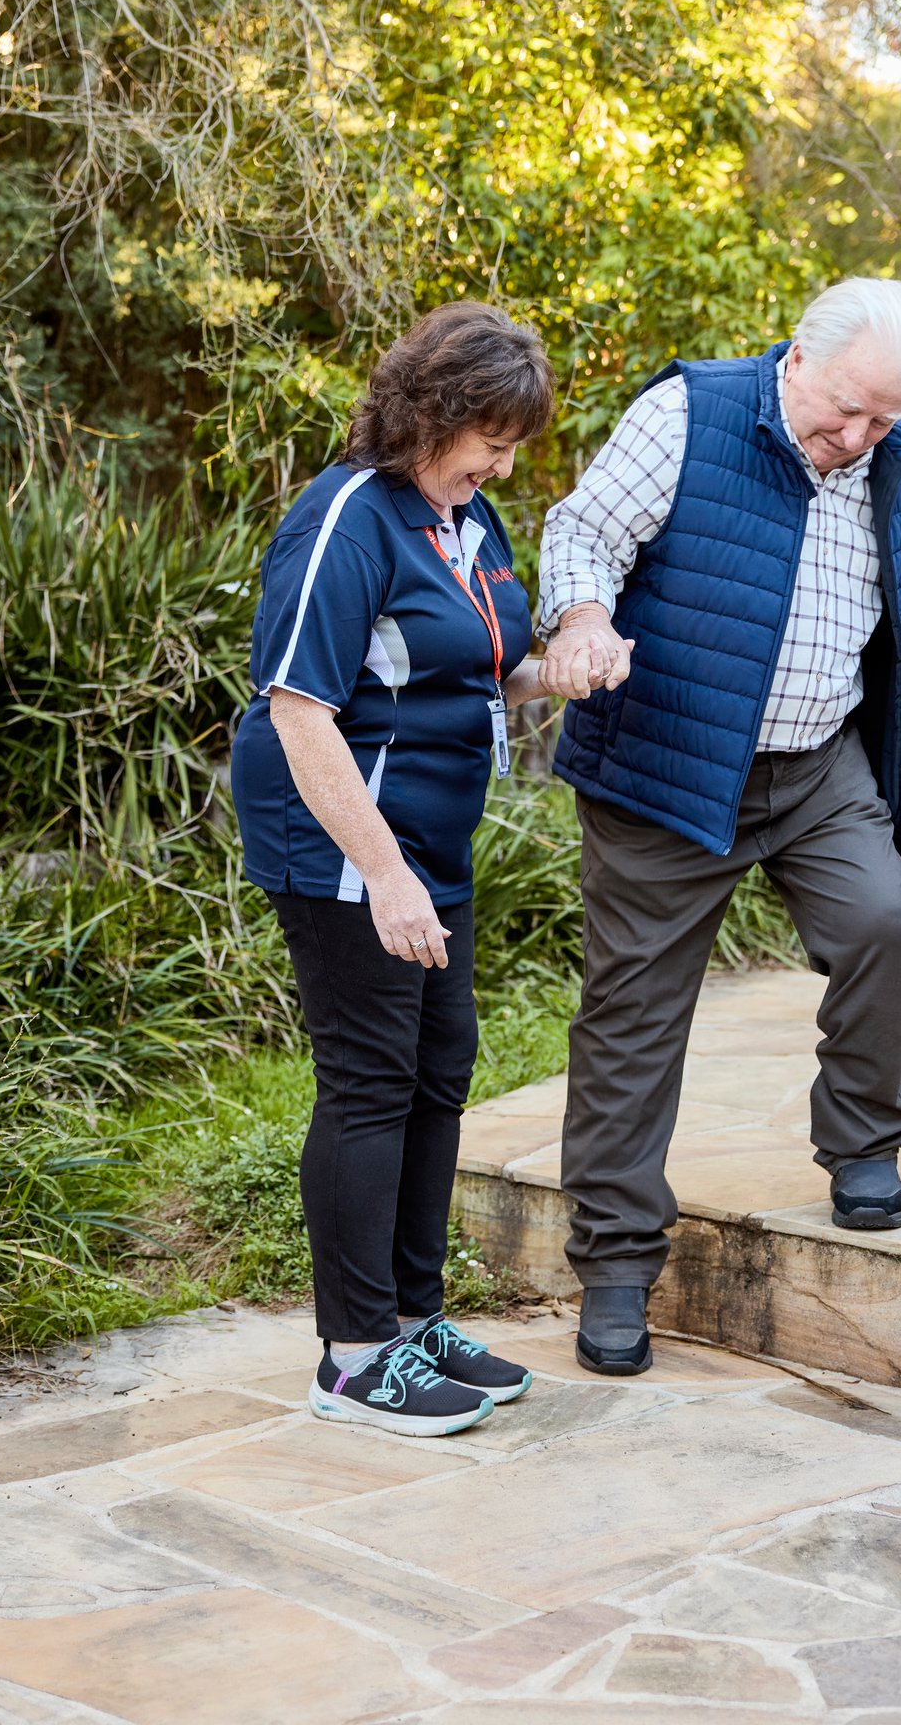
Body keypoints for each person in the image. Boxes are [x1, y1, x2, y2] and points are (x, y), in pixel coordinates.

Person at [536, 277, 901, 1377]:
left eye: (881, 419)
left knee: (880, 927)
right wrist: (586, 613)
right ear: (796, 357)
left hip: (812, 766)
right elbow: (583, 529)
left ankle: (862, 1143)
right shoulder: (689, 412)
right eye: (843, 408)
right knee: (633, 1021)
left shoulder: (881, 458)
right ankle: (611, 1266)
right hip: (665, 763)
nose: (854, 436)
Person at [232, 300, 553, 1436]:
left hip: (432, 839)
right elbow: (300, 709)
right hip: (340, 839)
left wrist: (561, 665)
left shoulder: (468, 518)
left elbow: (482, 666)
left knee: (440, 1061)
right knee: (371, 1075)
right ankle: (353, 1352)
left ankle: (413, 1321)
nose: (501, 463)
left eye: (512, 446)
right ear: (428, 414)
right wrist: (382, 870)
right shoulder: (347, 518)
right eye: (490, 441)